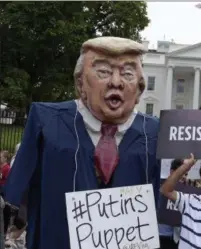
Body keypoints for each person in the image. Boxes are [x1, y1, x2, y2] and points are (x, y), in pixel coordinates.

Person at [4, 36, 161, 249]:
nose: (116, 82)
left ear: (139, 90)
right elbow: (14, 198)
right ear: (80, 83)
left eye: (128, 74)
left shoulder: (156, 132)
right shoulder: (46, 124)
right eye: (103, 72)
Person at [158, 159, 187, 249]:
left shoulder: (186, 192)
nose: (184, 177)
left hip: (175, 239)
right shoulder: (159, 186)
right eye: (181, 173)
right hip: (159, 236)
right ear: (172, 172)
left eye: (186, 174)